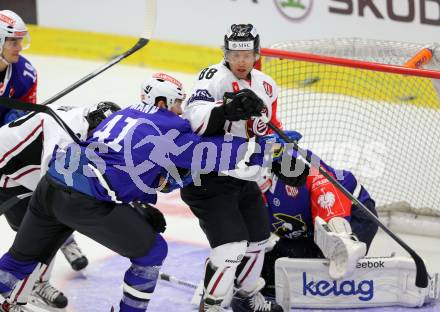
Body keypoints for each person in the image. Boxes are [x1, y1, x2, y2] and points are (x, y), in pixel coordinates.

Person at [0, 72, 294, 312]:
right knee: (154, 251)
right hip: (84, 200)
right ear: (164, 102)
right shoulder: (168, 127)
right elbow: (221, 155)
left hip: (49, 187)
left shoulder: (125, 112)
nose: (183, 110)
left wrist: (134, 204)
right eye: (179, 103)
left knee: (19, 260)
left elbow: (125, 165)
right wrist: (264, 144)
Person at [180, 24, 308, 312]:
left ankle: (245, 297)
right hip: (208, 177)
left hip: (242, 177)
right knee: (230, 249)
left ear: (256, 54)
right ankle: (211, 305)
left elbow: (269, 131)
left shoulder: (266, 85)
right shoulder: (212, 76)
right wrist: (225, 110)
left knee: (258, 239)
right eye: (235, 55)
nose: (241, 61)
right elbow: (194, 118)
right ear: (226, 54)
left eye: (247, 55)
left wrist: (280, 160)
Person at [0, 102, 120, 311]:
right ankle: (13, 300)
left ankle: (33, 285)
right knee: (45, 227)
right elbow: (52, 185)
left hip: (20, 168)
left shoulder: (82, 119)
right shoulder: (65, 135)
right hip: (7, 172)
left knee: (49, 228)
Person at [257, 133, 378, 298]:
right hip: (305, 230)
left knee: (333, 256)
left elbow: (328, 196)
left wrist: (340, 240)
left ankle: (343, 246)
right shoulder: (243, 190)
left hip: (354, 213)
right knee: (271, 267)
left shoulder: (296, 166)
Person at [0, 10, 37, 126]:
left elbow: (30, 117)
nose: (20, 48)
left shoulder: (25, 74)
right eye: (13, 42)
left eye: (20, 41)